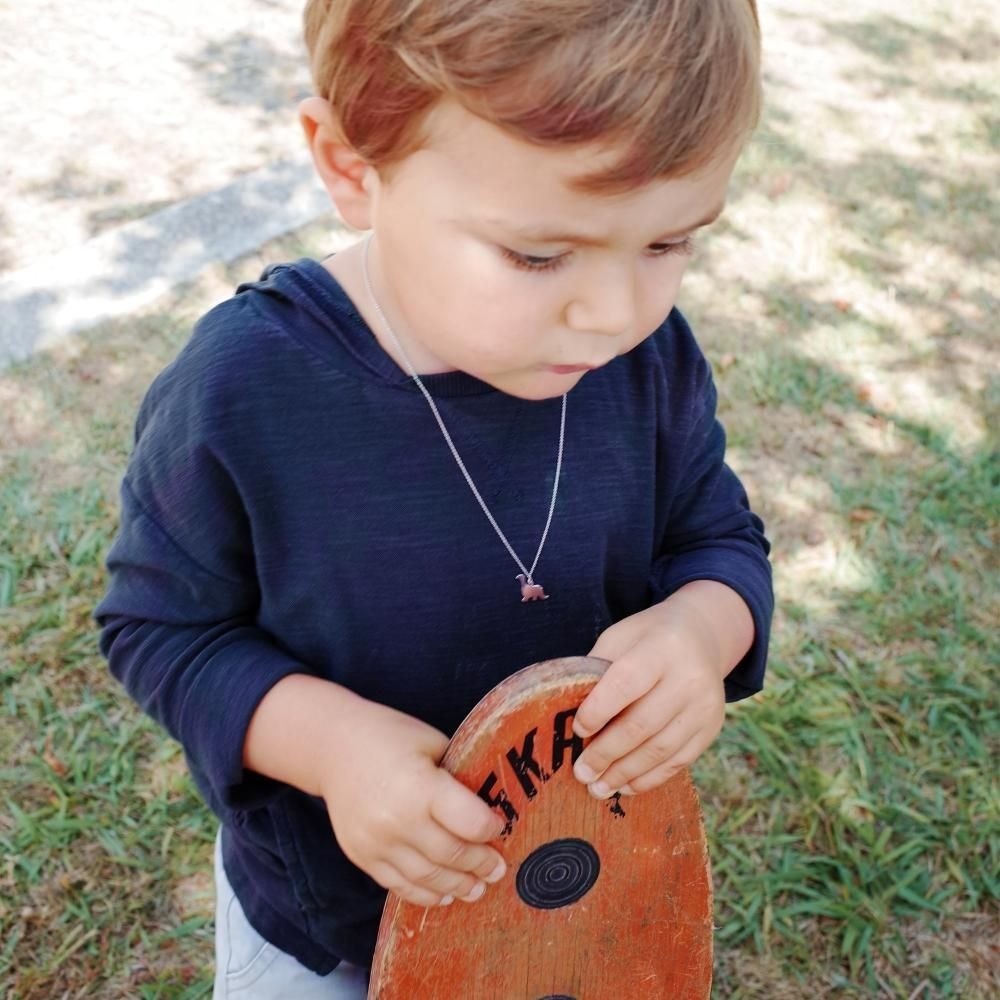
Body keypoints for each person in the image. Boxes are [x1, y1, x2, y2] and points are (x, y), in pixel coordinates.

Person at [95, 0, 773, 996]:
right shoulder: (243, 390)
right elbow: (160, 631)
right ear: (349, 164)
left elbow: (718, 537)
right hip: (335, 923)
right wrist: (331, 747)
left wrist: (701, 633)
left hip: (585, 893)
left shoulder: (649, 363)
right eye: (538, 255)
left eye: (668, 244)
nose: (616, 312)